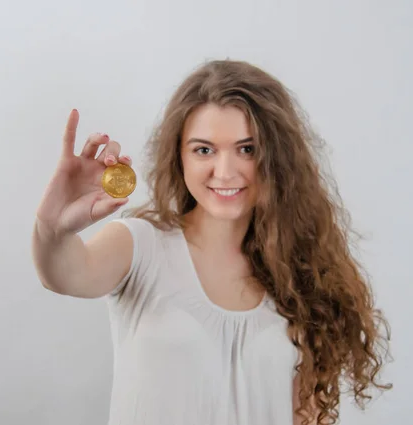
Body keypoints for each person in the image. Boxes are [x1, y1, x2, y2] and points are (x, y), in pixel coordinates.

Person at [31, 59, 392, 425]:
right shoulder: (140, 245)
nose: (225, 172)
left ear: (277, 159)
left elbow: (309, 417)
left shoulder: (303, 275)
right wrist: (52, 230)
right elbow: (65, 275)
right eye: (204, 150)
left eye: (247, 149)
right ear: (179, 156)